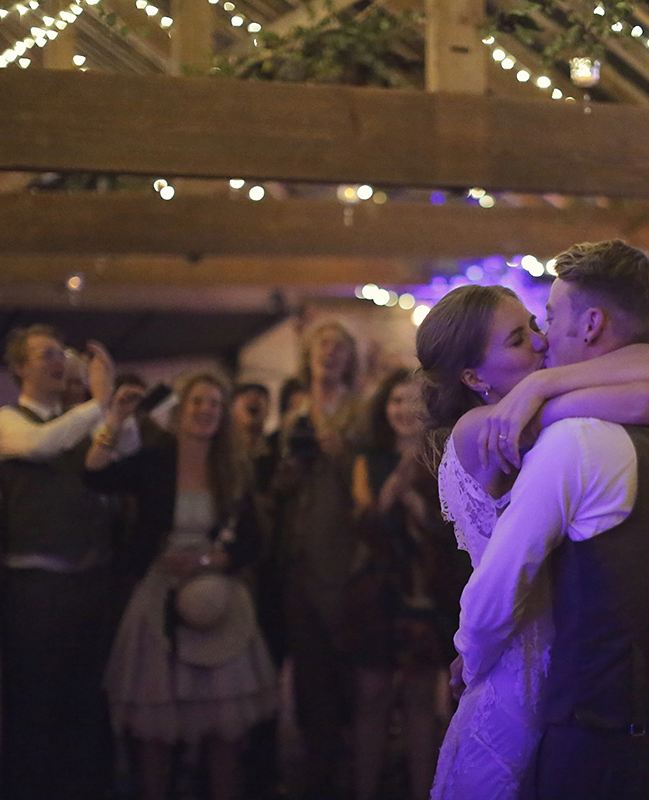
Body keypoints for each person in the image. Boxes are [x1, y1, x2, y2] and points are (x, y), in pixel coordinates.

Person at [446, 241, 649, 799]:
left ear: (593, 324)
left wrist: (469, 657)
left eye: (551, 317)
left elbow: (494, 595)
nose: (544, 336)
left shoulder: (574, 440)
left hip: (600, 735)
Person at [86, 371, 277, 800]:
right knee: (157, 729)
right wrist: (114, 419)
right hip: (160, 595)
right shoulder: (156, 460)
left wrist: (208, 560)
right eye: (197, 402)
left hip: (218, 600)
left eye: (214, 403)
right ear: (181, 410)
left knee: (224, 733)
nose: (205, 410)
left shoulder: (232, 467)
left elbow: (252, 544)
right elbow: (95, 475)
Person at [0, 324, 140, 800]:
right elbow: (42, 445)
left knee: (85, 703)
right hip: (36, 588)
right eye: (45, 355)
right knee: (34, 706)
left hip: (90, 582)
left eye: (62, 354)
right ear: (18, 368)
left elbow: (129, 444)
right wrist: (97, 405)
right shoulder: (7, 420)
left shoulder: (81, 419)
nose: (58, 362)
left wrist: (111, 403)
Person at [344, 368, 457, 800]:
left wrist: (418, 497)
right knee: (370, 696)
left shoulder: (445, 460)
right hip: (375, 591)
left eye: (412, 401)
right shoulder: (367, 461)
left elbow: (450, 530)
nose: (403, 409)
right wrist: (398, 481)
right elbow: (365, 521)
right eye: (394, 400)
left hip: (425, 592)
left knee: (419, 702)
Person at [268, 318, 368, 800]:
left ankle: (349, 767)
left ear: (350, 357)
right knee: (306, 671)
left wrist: (339, 448)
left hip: (344, 554)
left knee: (346, 661)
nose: (329, 353)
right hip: (297, 555)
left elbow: (367, 474)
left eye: (338, 346)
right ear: (308, 356)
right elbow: (280, 488)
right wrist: (287, 472)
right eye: (321, 345)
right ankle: (314, 764)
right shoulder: (294, 413)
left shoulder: (361, 411)